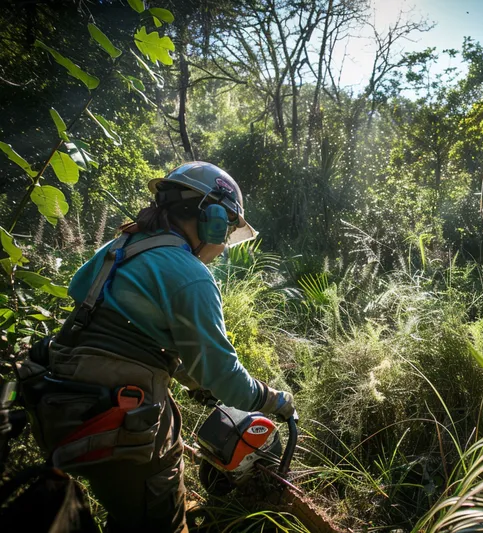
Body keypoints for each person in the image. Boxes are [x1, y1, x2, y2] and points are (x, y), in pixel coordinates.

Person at [15, 162, 294, 533]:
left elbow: (108, 320)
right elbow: (227, 380)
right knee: (156, 521)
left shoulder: (120, 247)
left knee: (129, 505)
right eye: (226, 228)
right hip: (118, 422)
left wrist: (190, 378)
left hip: (59, 402)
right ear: (210, 217)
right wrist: (276, 400)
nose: (225, 243)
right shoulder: (191, 275)